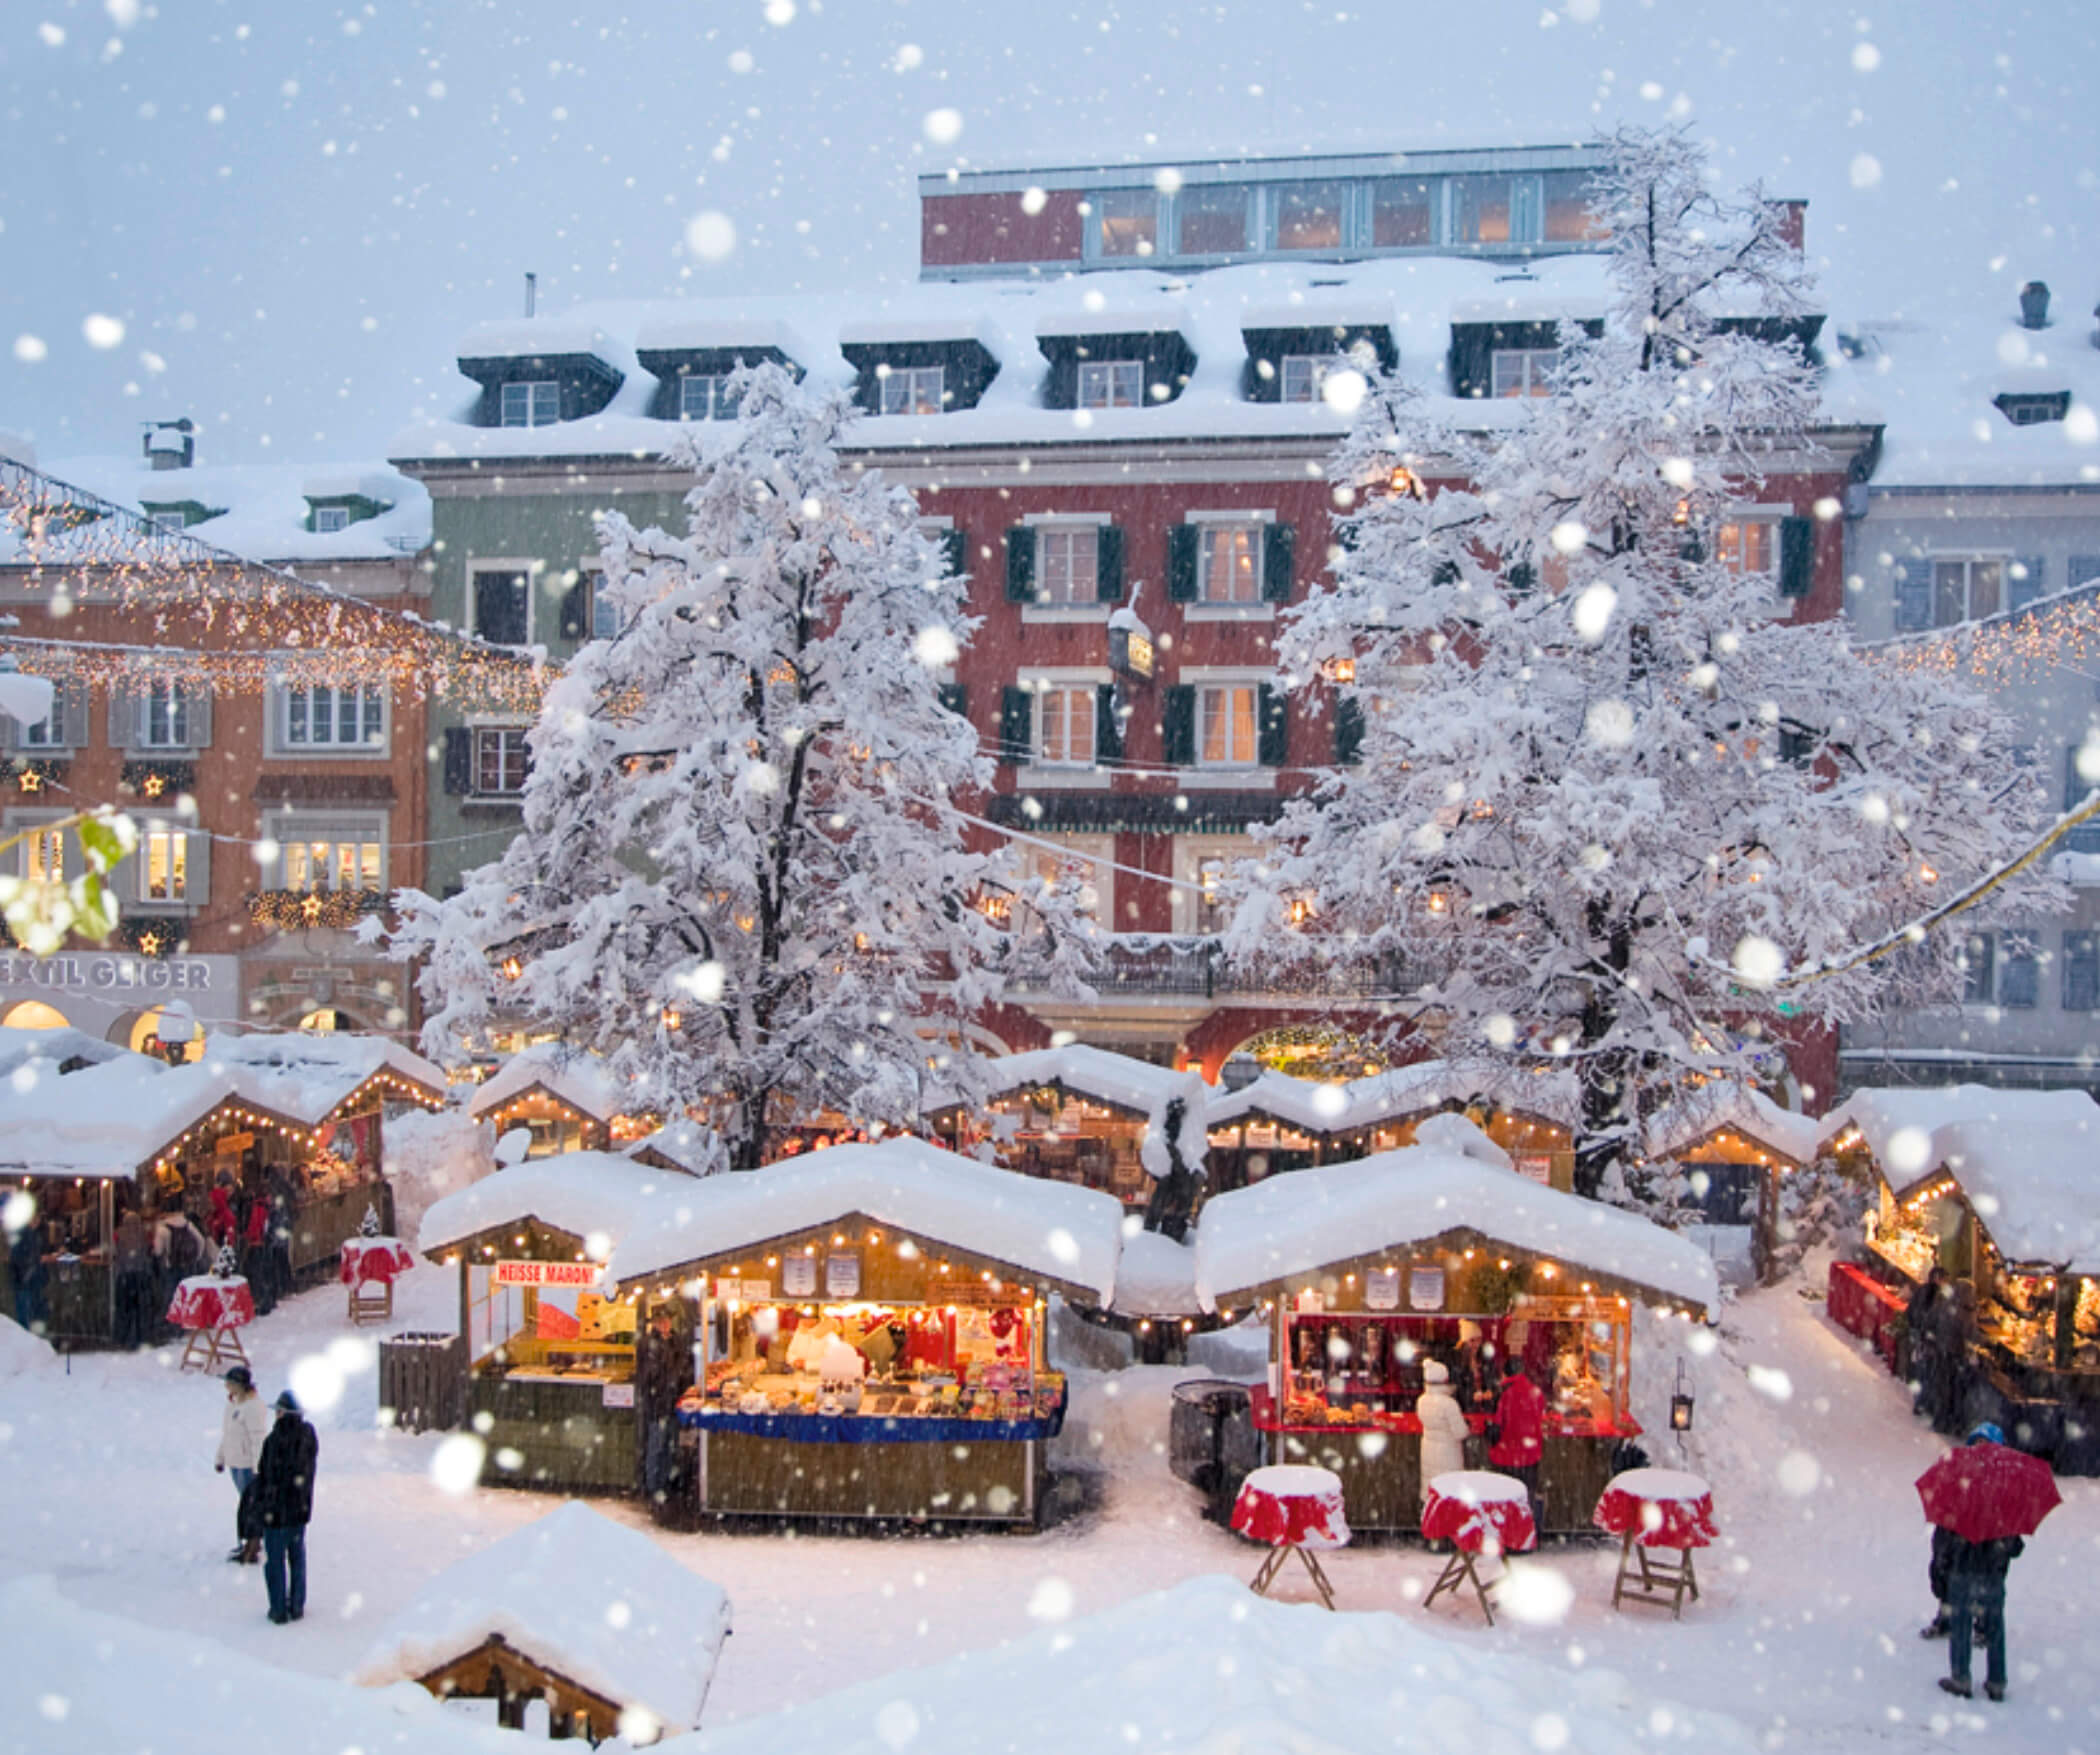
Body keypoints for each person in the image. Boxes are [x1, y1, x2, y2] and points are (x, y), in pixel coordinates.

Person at [1939, 1423, 2023, 1703]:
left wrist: (1946, 1561)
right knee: (1995, 1627)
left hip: (1963, 1570)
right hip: (1993, 1574)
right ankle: (1997, 1681)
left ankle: (1961, 1677)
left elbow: (1946, 1533)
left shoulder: (1958, 1485)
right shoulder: (2009, 1491)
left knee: (1961, 1625)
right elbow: (2015, 1546)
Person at [253, 1389, 318, 1625]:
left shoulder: (274, 1440)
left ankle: (278, 1608)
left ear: (282, 1412)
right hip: (300, 1510)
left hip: (276, 1513)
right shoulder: (309, 1435)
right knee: (297, 1556)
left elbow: (267, 1476)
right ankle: (297, 1604)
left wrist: (261, 1507)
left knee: (275, 1561)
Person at [214, 1365, 271, 1564]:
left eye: (230, 1383)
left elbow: (258, 1439)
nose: (226, 1386)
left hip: (247, 1464)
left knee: (252, 1506)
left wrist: (258, 1467)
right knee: (246, 1505)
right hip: (235, 1462)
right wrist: (221, 1458)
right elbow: (229, 1435)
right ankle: (249, 1541)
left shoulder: (253, 1407)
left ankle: (253, 1544)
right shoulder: (233, 1405)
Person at [636, 1307, 687, 1506]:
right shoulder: (648, 1344)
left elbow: (683, 1367)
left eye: (667, 1320)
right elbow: (650, 1376)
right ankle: (653, 1487)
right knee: (656, 1446)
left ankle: (665, 1483)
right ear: (655, 1324)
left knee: (670, 1445)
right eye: (661, 1321)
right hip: (657, 1404)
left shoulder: (676, 1341)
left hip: (675, 1402)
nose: (665, 1324)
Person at [1488, 1357, 1546, 1509]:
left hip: (1506, 1456)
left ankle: (1508, 1529)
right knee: (1526, 1499)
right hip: (1530, 1455)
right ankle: (1526, 1527)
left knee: (1505, 1500)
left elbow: (1498, 1424)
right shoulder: (1535, 1391)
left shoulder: (1503, 1393)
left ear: (1505, 1373)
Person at [1415, 1359, 1470, 1504]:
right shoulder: (1449, 1404)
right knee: (1449, 1493)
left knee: (1432, 1493)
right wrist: (1468, 1427)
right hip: (1448, 1453)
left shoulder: (1421, 1400)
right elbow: (1461, 1432)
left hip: (1427, 1450)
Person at [112, 1207, 154, 1350]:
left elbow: (114, 1250)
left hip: (124, 1275)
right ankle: (139, 1337)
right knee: (139, 1308)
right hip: (140, 1275)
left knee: (124, 1309)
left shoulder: (118, 1234)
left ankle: (123, 1338)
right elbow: (149, 1250)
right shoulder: (144, 1234)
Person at [1904, 1267, 1946, 1412]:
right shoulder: (1932, 1294)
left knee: (1922, 1368)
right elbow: (1925, 1316)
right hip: (1924, 1337)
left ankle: (1920, 1400)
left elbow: (1911, 1311)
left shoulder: (1925, 1290)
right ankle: (1921, 1402)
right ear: (1937, 1278)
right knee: (1926, 1371)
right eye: (1943, 1279)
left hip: (1920, 1334)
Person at [7, 1215, 49, 1339]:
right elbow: (26, 1257)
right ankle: (29, 1338)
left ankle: (27, 1338)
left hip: (25, 1280)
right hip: (27, 1280)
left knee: (26, 1312)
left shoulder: (25, 1234)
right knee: (29, 1313)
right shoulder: (29, 1235)